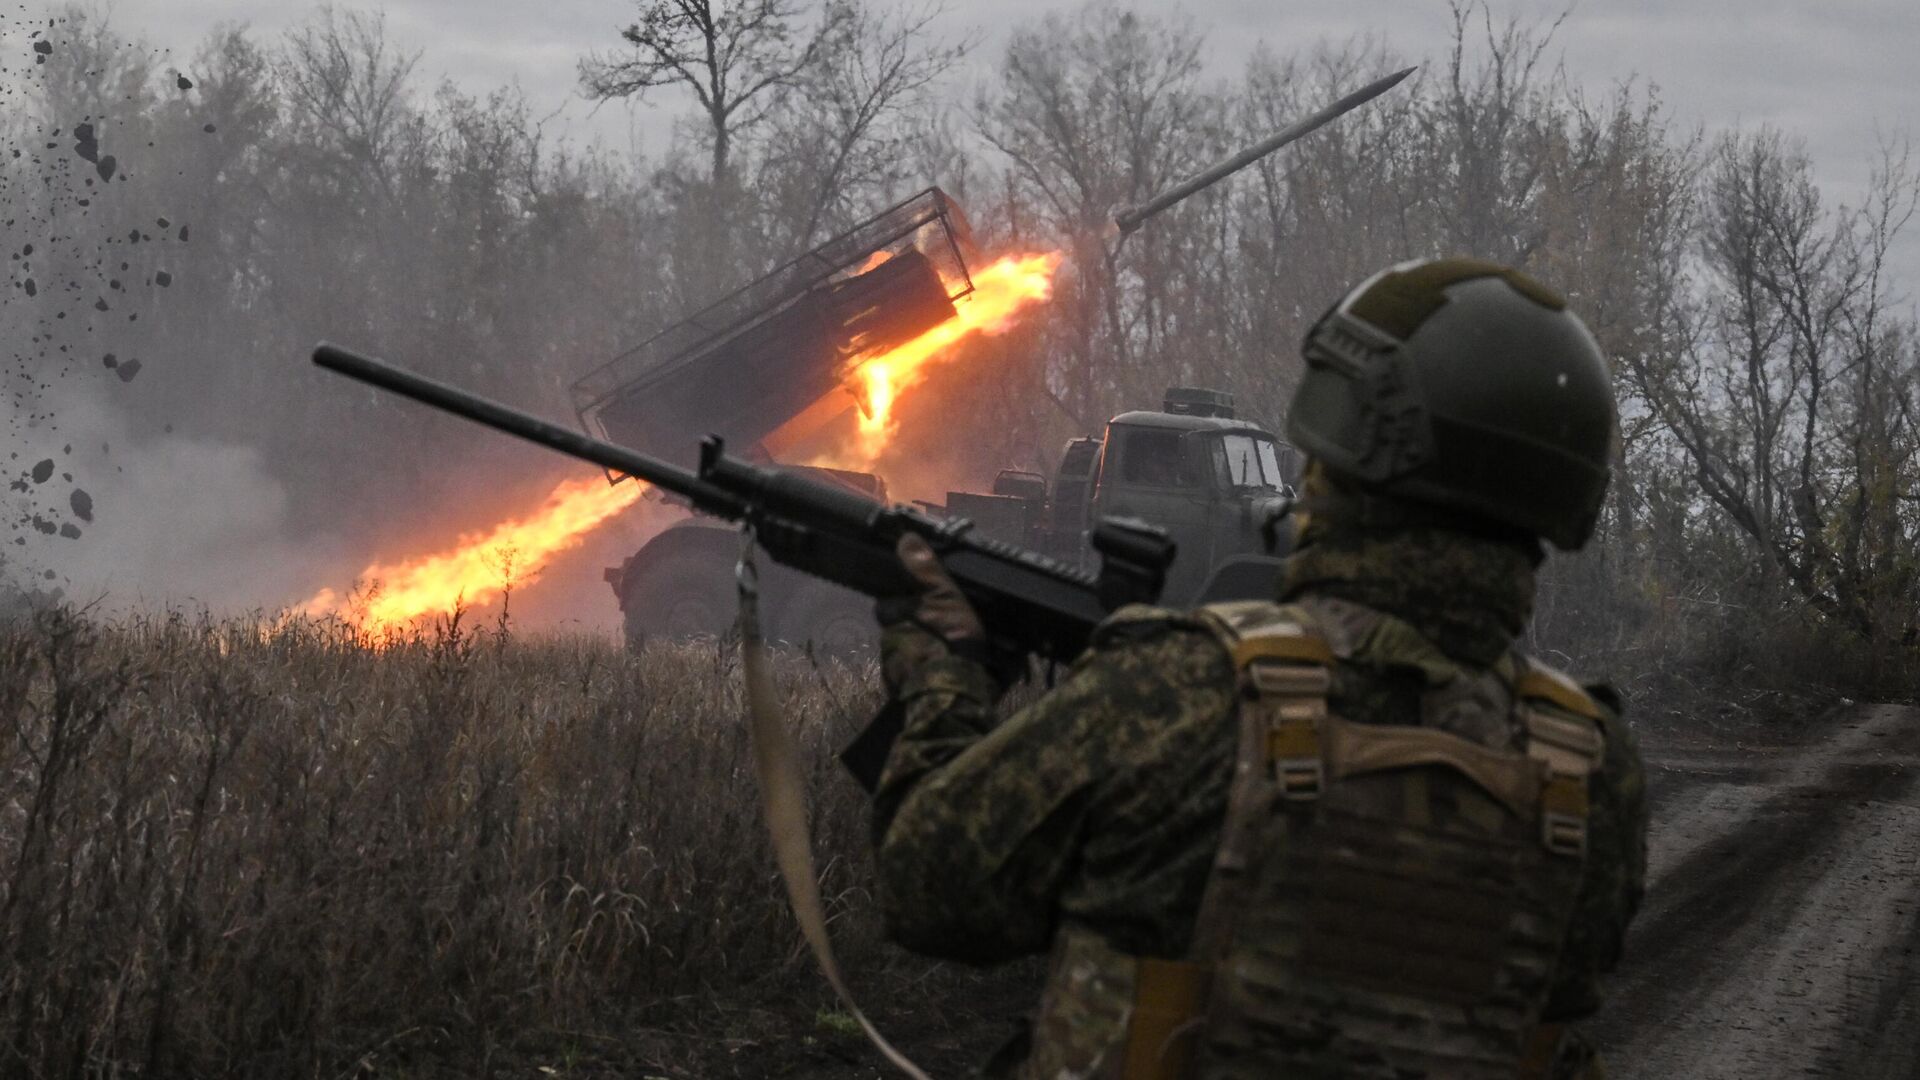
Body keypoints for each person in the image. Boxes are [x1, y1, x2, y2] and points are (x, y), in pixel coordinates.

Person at [868, 257, 1648, 1079]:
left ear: (1343, 450)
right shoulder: (1594, 777)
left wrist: (945, 680)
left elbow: (930, 887)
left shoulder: (1184, 696)